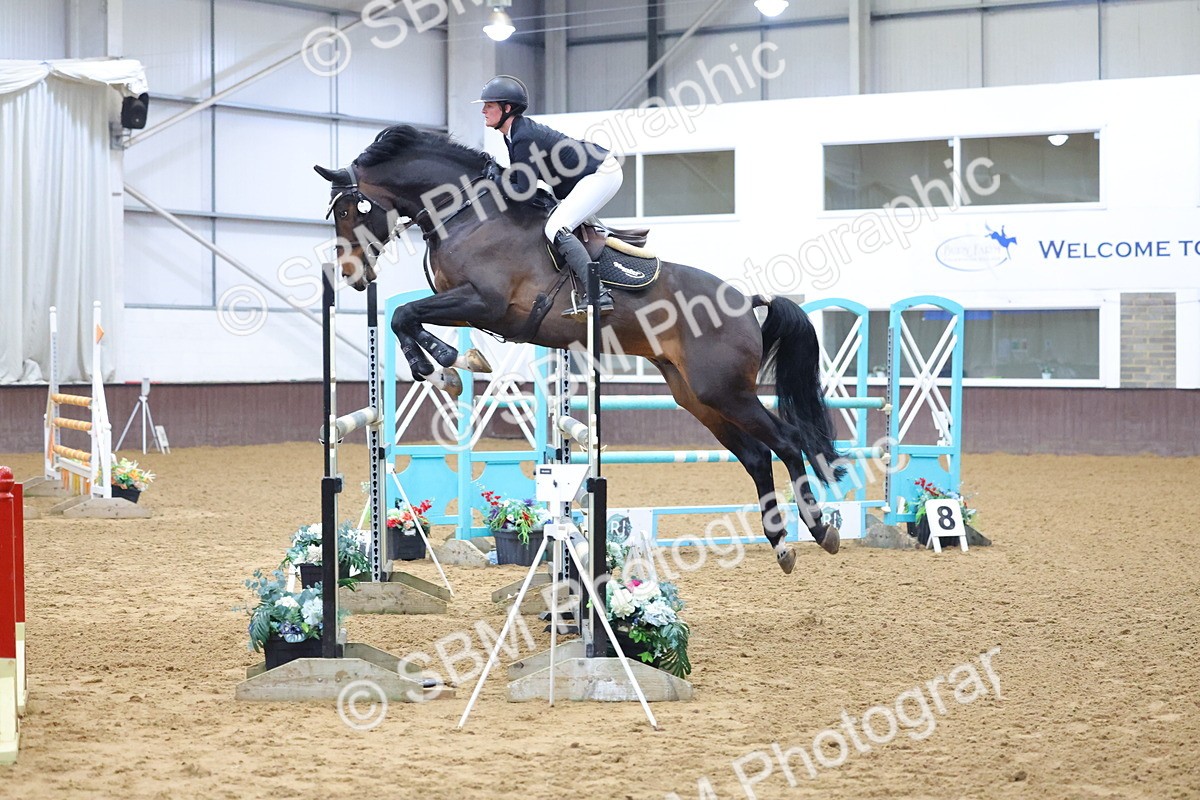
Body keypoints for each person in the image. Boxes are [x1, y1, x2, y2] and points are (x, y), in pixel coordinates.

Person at [475, 75, 621, 318]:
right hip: (587, 175)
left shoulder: (523, 136)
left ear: (507, 108)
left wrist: (495, 180)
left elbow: (523, 192)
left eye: (489, 106)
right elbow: (520, 179)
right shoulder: (512, 134)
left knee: (556, 227)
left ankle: (598, 294)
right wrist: (498, 176)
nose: (483, 111)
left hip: (601, 173)